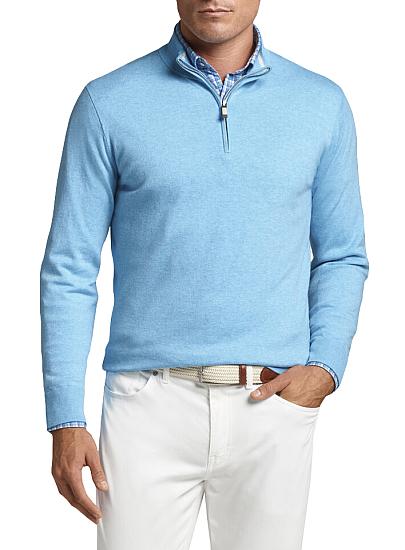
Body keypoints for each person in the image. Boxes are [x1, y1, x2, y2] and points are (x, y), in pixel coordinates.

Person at [40, 1, 369, 549]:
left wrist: (324, 368)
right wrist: (65, 418)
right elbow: (69, 267)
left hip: (271, 402)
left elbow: (342, 255)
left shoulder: (321, 103)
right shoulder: (108, 102)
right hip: (145, 405)